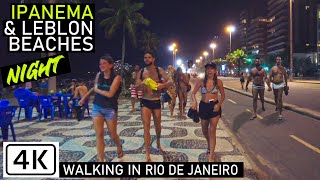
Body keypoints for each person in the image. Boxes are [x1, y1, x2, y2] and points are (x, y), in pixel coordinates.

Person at [79, 55, 123, 162]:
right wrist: (84, 98)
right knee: (99, 135)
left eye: (104, 63)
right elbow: (93, 89)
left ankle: (119, 145)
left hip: (110, 109)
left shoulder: (117, 78)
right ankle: (101, 160)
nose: (101, 65)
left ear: (111, 65)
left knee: (112, 135)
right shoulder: (99, 75)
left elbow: (110, 94)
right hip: (97, 107)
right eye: (100, 63)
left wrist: (97, 90)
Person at [135, 52, 173, 162]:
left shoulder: (158, 70)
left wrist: (163, 85)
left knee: (158, 125)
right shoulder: (141, 72)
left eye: (149, 57)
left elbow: (170, 81)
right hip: (145, 101)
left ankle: (158, 142)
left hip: (156, 101)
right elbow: (137, 88)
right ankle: (147, 154)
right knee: (146, 127)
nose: (146, 59)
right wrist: (141, 84)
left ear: (153, 59)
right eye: (145, 57)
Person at [191, 62, 225, 162]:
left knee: (212, 130)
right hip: (204, 107)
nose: (209, 70)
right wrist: (195, 102)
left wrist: (218, 105)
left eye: (211, 68)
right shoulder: (201, 81)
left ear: (215, 71)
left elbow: (223, 96)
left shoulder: (218, 82)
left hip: (214, 107)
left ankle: (211, 156)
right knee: (204, 130)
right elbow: (193, 93)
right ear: (206, 71)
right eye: (208, 69)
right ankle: (209, 144)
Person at [269, 56, 289, 120]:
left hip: (281, 84)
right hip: (275, 84)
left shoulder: (283, 68)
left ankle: (280, 114)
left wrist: (286, 85)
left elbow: (285, 77)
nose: (278, 61)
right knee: (275, 97)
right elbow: (270, 77)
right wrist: (271, 83)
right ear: (276, 60)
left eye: (279, 60)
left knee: (279, 98)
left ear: (281, 61)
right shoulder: (273, 68)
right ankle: (277, 105)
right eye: (277, 59)